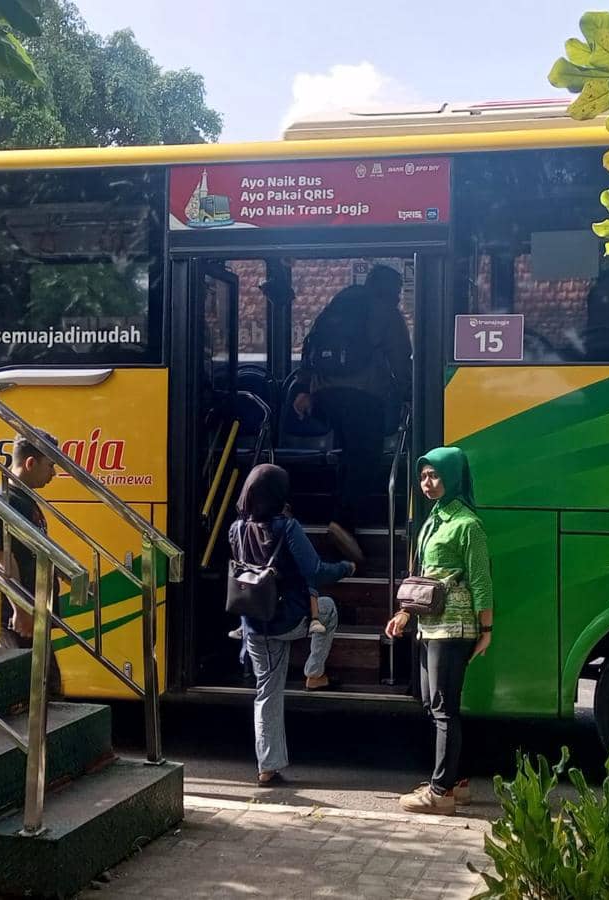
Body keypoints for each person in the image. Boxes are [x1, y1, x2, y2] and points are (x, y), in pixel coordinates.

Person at [384, 447, 493, 815]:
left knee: (444, 709)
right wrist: (404, 613)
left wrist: (486, 628)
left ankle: (440, 792)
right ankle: (456, 781)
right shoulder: (434, 519)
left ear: (453, 478)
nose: (427, 484)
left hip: (455, 627)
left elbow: (481, 581)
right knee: (433, 706)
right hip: (430, 626)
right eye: (423, 476)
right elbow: (426, 577)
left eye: (435, 476)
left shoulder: (468, 525)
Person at [230, 464, 355, 785]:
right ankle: (314, 671)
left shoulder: (236, 528)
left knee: (267, 692)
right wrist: (346, 567)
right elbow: (315, 570)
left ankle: (267, 766)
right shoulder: (287, 527)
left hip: (254, 621)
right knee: (327, 609)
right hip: (288, 618)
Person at [293, 264, 413, 565]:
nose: (398, 297)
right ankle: (343, 523)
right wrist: (410, 392)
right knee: (366, 459)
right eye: (397, 291)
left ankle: (339, 521)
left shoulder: (337, 305)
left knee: (349, 454)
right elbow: (401, 360)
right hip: (364, 397)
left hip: (325, 396)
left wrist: (304, 390)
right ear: (389, 289)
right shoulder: (386, 313)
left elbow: (309, 349)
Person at [0, 431, 63, 691]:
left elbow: (30, 548)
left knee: (44, 682)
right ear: (30, 463)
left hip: (32, 609)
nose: (53, 474)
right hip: (18, 615)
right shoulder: (6, 501)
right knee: (32, 686)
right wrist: (20, 609)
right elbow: (1, 558)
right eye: (50, 465)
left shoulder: (24, 499)